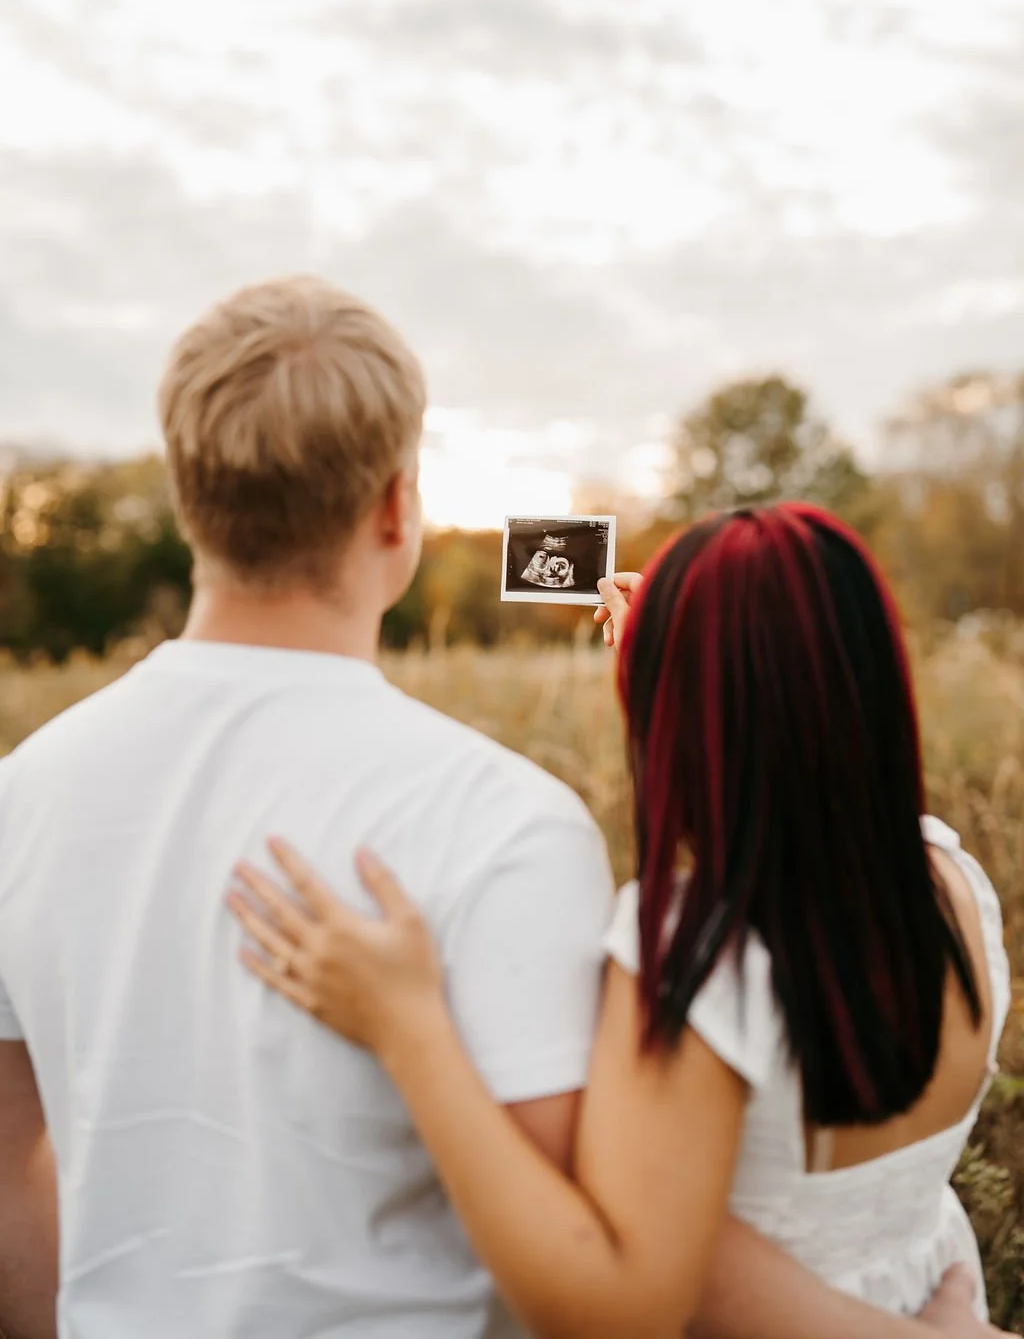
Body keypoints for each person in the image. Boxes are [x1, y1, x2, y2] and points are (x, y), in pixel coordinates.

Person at [0, 278, 1000, 1339]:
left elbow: (16, 1181)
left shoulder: (20, 795)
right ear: (397, 505)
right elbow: (618, 1267)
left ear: (186, 492)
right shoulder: (513, 825)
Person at [230, 504, 1013, 1339]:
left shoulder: (701, 960)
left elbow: (627, 1293)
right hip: (939, 1291)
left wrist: (408, 1026)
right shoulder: (952, 882)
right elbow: (818, 775)